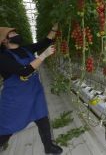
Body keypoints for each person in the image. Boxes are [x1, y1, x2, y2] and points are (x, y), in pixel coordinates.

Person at [0, 24, 63, 154]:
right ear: (4, 40)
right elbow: (24, 71)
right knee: (8, 128)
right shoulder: (3, 58)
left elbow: (45, 41)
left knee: (42, 117)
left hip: (34, 91)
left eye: (15, 32)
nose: (16, 34)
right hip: (16, 98)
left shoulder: (25, 49)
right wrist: (43, 56)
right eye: (12, 34)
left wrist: (54, 28)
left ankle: (48, 146)